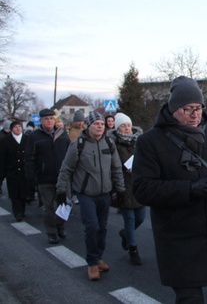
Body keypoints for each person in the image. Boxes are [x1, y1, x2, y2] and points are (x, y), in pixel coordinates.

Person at [132, 76, 207, 303]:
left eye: (199, 108)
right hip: (177, 234)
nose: (195, 114)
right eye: (187, 108)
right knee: (190, 297)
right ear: (173, 110)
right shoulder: (150, 141)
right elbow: (143, 188)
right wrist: (190, 189)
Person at [56, 111, 125, 281]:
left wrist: (121, 190)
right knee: (92, 226)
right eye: (96, 124)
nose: (100, 126)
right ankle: (92, 262)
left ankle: (99, 256)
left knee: (102, 227)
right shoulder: (78, 144)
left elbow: (116, 168)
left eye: (102, 124)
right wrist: (61, 190)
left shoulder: (109, 143)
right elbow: (66, 168)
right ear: (88, 125)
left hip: (105, 193)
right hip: (85, 193)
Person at [25, 108, 70, 244]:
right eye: (46, 119)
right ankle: (51, 232)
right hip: (45, 178)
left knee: (65, 205)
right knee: (48, 207)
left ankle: (60, 225)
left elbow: (70, 155)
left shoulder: (62, 134)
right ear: (41, 120)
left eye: (51, 118)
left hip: (63, 177)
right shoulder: (35, 137)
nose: (49, 121)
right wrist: (31, 177)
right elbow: (29, 157)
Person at [107, 112, 144, 265]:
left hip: (139, 184)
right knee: (129, 219)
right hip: (123, 184)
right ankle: (133, 250)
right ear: (117, 128)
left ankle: (125, 234)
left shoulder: (139, 141)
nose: (127, 128)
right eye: (123, 125)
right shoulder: (113, 143)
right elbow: (112, 165)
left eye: (128, 125)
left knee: (140, 218)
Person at [0, 121, 30, 221]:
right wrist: (2, 172)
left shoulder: (27, 139)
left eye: (19, 127)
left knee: (23, 192)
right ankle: (17, 213)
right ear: (12, 129)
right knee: (14, 193)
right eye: (16, 127)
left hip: (24, 171)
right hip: (12, 171)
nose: (18, 129)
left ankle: (22, 211)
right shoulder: (5, 141)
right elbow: (2, 157)